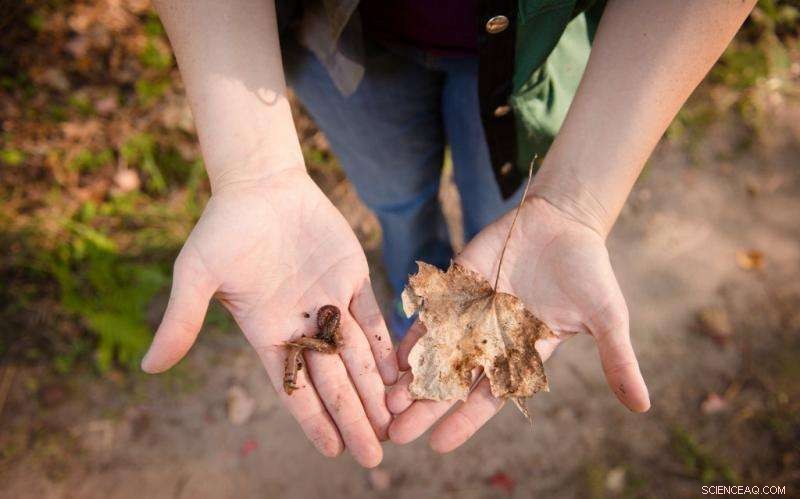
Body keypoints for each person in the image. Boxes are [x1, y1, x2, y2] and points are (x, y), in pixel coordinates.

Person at [140, 0, 756, 467]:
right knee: (396, 198)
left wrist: (575, 202)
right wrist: (254, 170)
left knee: (500, 211)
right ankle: (413, 287)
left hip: (535, 48)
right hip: (342, 33)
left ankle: (440, 292)